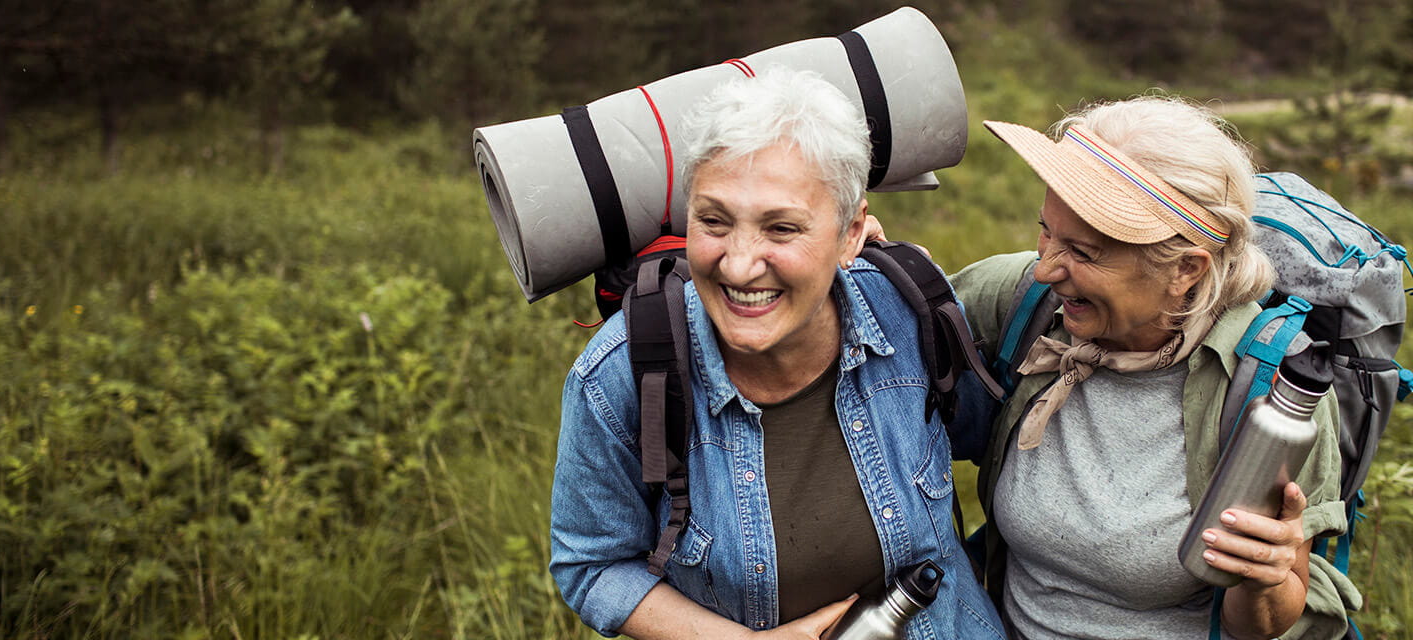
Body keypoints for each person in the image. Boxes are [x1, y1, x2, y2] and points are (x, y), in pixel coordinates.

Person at [548, 67, 1005, 639]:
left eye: (781, 229)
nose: (738, 266)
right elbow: (591, 564)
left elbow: (998, 449)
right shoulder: (619, 376)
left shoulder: (909, 311)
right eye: (713, 221)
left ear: (851, 233)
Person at [935, 97, 1357, 638]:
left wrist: (1264, 581)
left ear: (1186, 268)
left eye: (1083, 253)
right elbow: (876, 339)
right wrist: (853, 259)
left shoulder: (1272, 391)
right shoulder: (1022, 302)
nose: (1046, 268)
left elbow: (1270, 624)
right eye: (1046, 230)